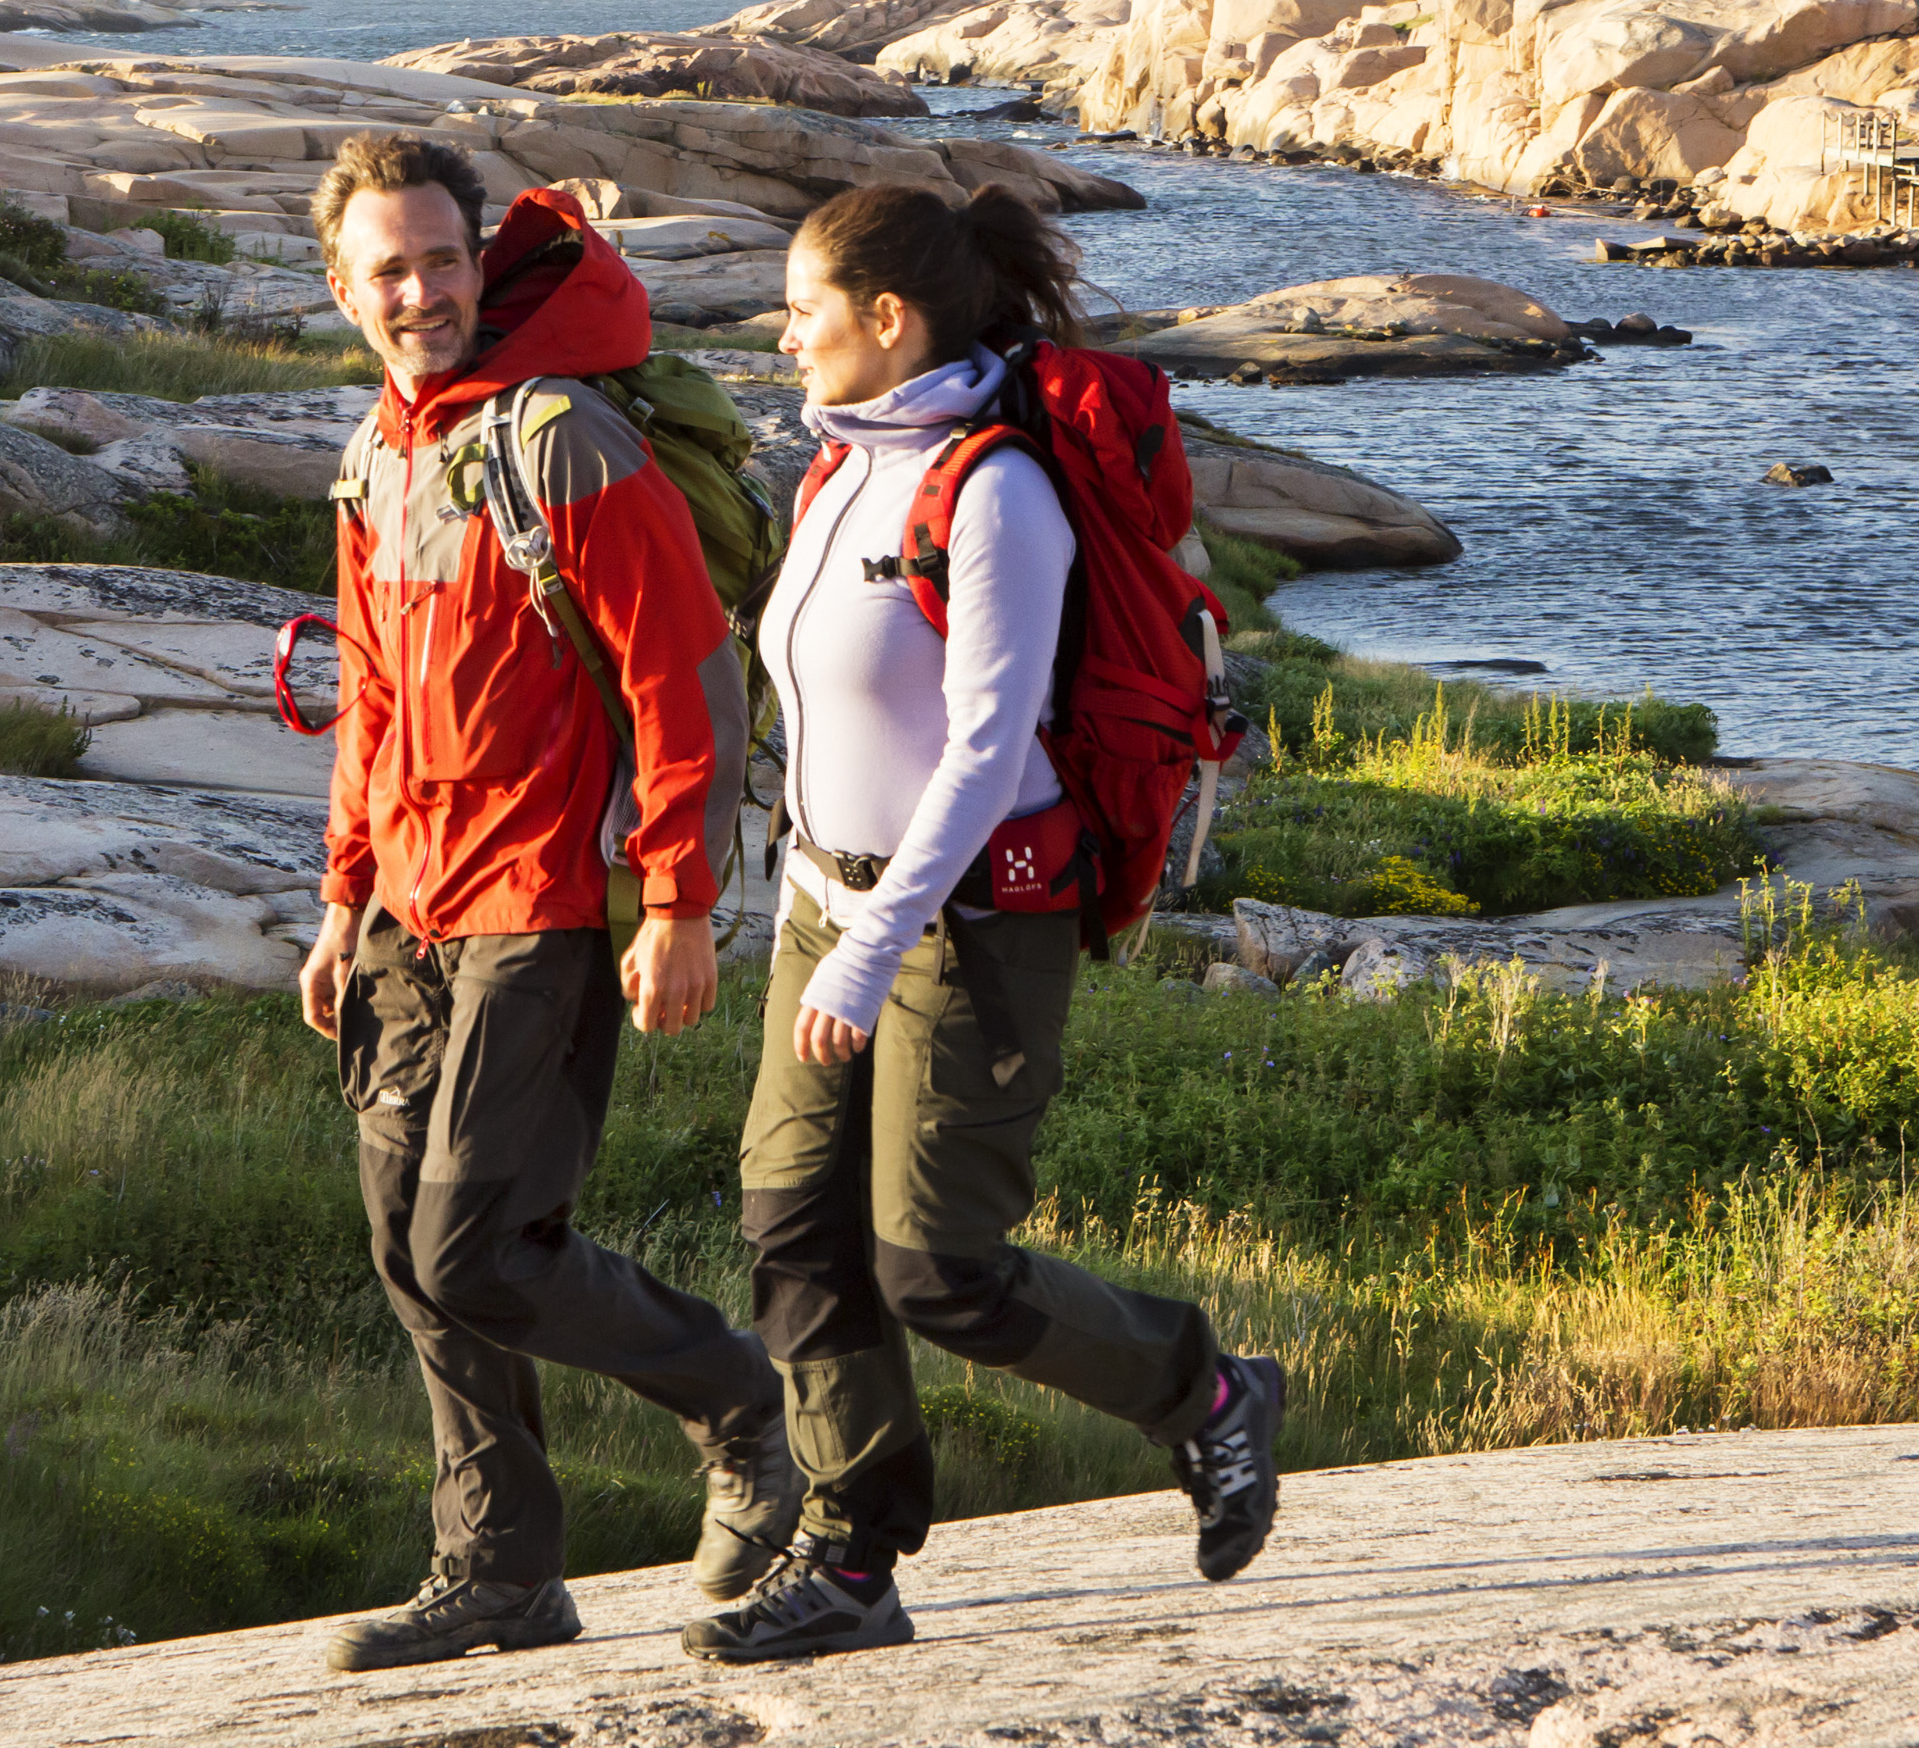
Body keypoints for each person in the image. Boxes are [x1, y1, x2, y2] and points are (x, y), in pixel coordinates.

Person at [684, 182, 1284, 1665]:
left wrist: (881, 936)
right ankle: (852, 1559)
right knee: (791, 1232)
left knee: (933, 1264)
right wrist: (807, 903)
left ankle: (1203, 1391)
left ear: (888, 323)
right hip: (834, 906)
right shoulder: (839, 474)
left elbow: (984, 740)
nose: (782, 331)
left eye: (803, 308)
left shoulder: (997, 487)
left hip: (966, 921)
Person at [296, 131, 802, 1672]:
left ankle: (736, 1398)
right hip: (407, 907)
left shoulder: (561, 437)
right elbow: (373, 696)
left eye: (444, 260)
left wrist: (678, 898)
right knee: (404, 1238)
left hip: (548, 901)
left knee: (478, 1243)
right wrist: (338, 899)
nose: (422, 291)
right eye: (390, 268)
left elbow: (684, 674)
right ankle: (501, 1570)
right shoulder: (379, 451)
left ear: (479, 261)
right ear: (344, 284)